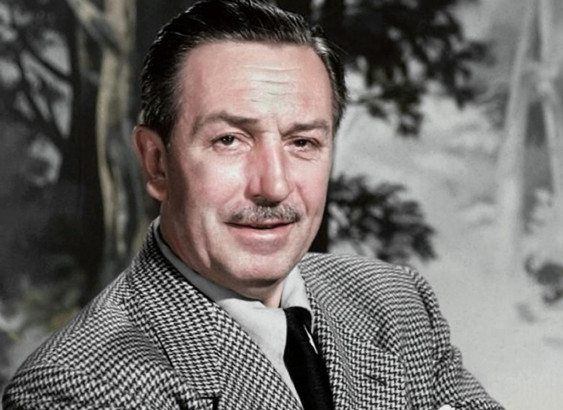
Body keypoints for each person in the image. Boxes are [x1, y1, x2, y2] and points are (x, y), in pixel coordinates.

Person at [3, 1, 503, 409]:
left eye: (302, 142)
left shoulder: (397, 303)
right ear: (157, 164)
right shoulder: (78, 389)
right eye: (229, 140)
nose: (275, 186)